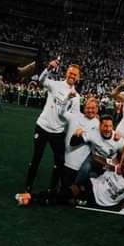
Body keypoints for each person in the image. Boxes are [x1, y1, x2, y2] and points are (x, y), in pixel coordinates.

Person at [23, 59, 81, 196]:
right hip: (42, 127)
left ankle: (53, 189)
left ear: (78, 77)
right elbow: (41, 80)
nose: (72, 76)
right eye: (70, 73)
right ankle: (28, 186)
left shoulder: (76, 97)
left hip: (58, 132)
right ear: (66, 73)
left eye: (75, 74)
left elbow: (74, 117)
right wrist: (48, 69)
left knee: (59, 162)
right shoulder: (56, 85)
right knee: (36, 158)